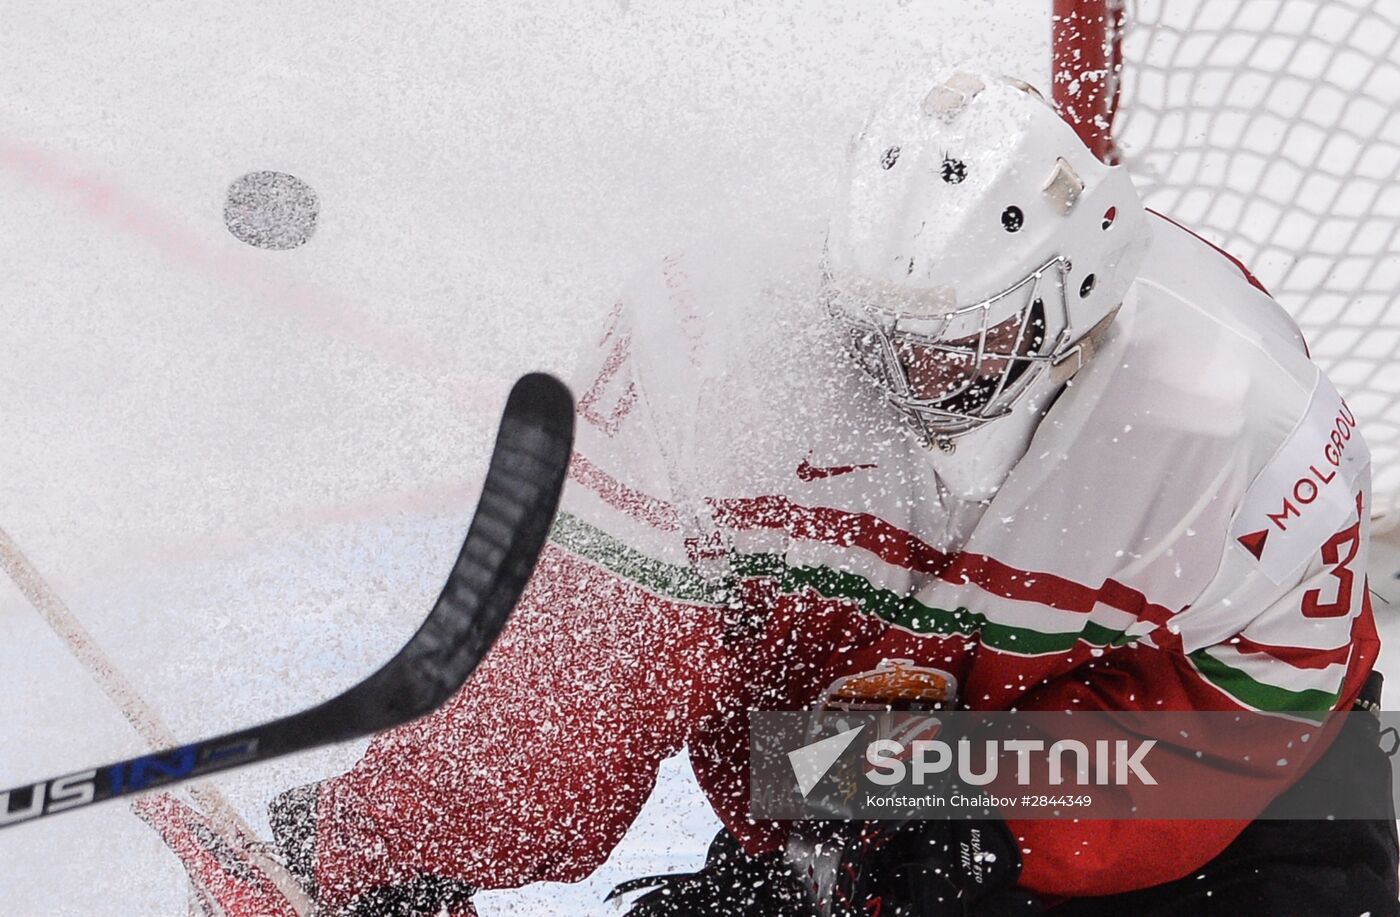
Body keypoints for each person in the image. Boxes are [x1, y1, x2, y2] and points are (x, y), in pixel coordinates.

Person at [154, 66, 1394, 916]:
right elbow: (588, 681)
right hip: (853, 776)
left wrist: (974, 829)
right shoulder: (726, 354)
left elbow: (1238, 724)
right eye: (877, 331)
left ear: (1069, 295)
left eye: (952, 345)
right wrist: (386, 848)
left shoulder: (1239, 424)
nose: (901, 378)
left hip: (1238, 796)